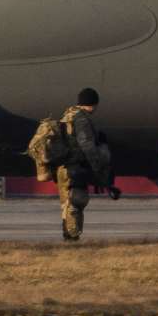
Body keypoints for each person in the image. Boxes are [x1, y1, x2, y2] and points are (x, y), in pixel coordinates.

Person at [55, 88, 110, 242]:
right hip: (75, 167)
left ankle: (68, 235)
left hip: (62, 168)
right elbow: (87, 145)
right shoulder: (82, 119)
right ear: (92, 104)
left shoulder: (67, 116)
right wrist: (97, 165)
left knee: (67, 204)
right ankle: (72, 237)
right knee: (76, 202)